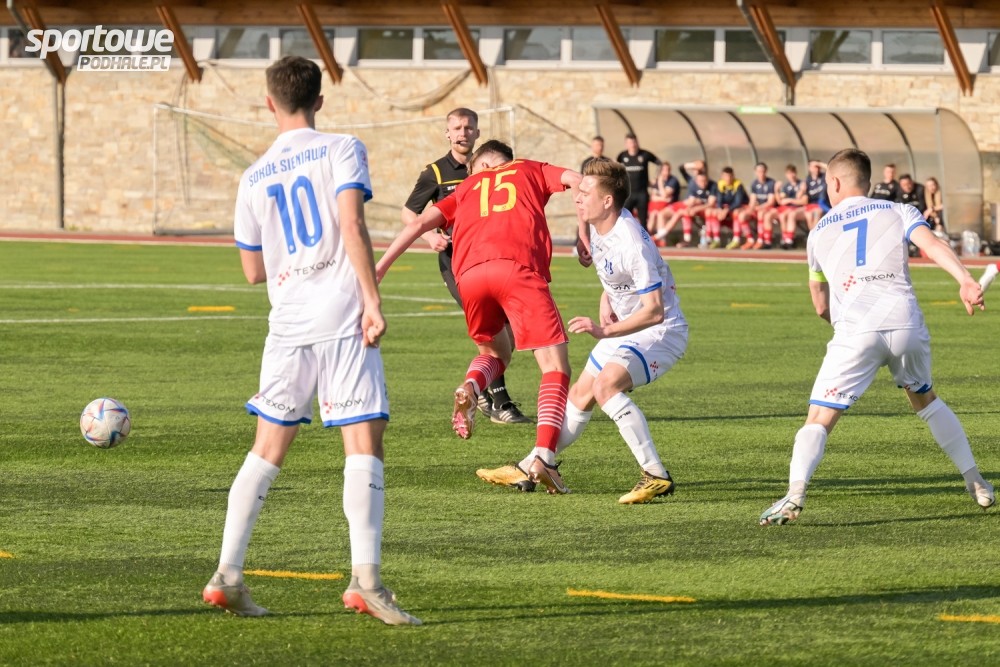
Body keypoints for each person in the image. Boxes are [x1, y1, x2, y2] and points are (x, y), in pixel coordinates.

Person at [202, 56, 420, 625]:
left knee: (266, 449)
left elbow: (252, 271)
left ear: (268, 103)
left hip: (288, 321)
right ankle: (366, 582)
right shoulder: (342, 147)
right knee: (363, 441)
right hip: (341, 313)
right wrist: (372, 301)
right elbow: (352, 225)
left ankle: (227, 574)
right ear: (319, 100)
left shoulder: (253, 176)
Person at [759, 148, 992, 527]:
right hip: (904, 324)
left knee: (819, 417)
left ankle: (795, 494)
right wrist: (965, 279)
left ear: (834, 182)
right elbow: (932, 245)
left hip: (855, 331)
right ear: (867, 181)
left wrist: (849, 332)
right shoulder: (899, 210)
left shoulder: (818, 232)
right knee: (926, 400)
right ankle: (975, 480)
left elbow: (820, 304)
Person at [376, 140, 589, 494]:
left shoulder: (466, 188)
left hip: (470, 276)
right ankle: (545, 458)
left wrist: (380, 267)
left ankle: (472, 386)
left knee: (495, 353)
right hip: (518, 269)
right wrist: (584, 233)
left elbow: (419, 223)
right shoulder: (529, 168)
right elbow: (580, 182)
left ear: (481, 167)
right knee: (555, 367)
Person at [476, 159, 688, 503]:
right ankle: (533, 465)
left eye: (586, 192)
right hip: (625, 327)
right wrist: (607, 296)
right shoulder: (598, 225)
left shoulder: (631, 242)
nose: (577, 196)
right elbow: (619, 277)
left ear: (607, 201)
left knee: (606, 387)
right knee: (579, 395)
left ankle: (656, 475)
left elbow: (654, 310)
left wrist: (605, 330)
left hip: (660, 331)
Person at [402, 108, 529, 425]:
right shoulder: (436, 172)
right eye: (457, 128)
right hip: (457, 262)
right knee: (491, 330)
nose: (463, 133)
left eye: (469, 128)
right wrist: (430, 236)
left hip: (491, 258)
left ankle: (482, 389)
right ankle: (499, 403)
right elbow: (410, 212)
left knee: (509, 333)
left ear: (477, 132)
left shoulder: (491, 167)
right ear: (447, 133)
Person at [654, 169, 717, 247]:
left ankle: (658, 237)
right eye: (700, 181)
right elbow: (691, 201)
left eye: (704, 181)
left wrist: (696, 208)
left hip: (707, 210)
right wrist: (691, 205)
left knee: (684, 212)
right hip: (691, 208)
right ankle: (661, 238)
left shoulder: (713, 185)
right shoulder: (693, 185)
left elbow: (711, 204)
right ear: (696, 180)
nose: (703, 183)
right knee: (666, 213)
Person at [616, 133, 661, 232]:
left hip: (642, 193)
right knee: (624, 219)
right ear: (626, 144)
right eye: (629, 143)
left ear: (637, 142)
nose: (632, 145)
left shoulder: (644, 154)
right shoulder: (622, 156)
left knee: (643, 221)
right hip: (628, 194)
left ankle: (645, 240)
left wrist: (656, 178)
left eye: (633, 142)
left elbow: (660, 164)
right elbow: (616, 168)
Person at [784, 159, 828, 248]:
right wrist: (802, 190)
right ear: (809, 168)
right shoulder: (807, 180)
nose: (816, 169)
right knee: (792, 214)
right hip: (810, 205)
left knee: (815, 213)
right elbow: (799, 197)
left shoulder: (824, 177)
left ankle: (815, 239)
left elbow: (831, 169)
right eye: (814, 167)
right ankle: (789, 240)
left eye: (817, 167)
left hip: (821, 205)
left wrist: (819, 163)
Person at [733, 162, 776, 249]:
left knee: (761, 213)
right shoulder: (754, 184)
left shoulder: (771, 183)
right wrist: (750, 209)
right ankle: (750, 240)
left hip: (768, 208)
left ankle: (760, 240)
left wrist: (758, 207)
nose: (761, 173)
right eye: (759, 171)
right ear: (755, 172)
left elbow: (771, 202)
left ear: (766, 171)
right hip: (757, 208)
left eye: (763, 171)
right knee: (742, 215)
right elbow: (752, 200)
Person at [703, 166, 747, 249]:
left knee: (736, 213)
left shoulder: (738, 185)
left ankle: (736, 240)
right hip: (726, 208)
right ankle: (715, 239)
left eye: (730, 176)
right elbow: (719, 200)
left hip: (738, 207)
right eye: (726, 176)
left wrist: (726, 210)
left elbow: (738, 202)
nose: (728, 179)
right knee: (711, 212)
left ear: (733, 176)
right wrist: (720, 209)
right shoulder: (720, 184)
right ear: (722, 176)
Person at [768, 164, 805, 249]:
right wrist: (776, 190)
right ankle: (784, 238)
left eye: (792, 173)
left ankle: (789, 239)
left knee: (790, 214)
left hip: (798, 208)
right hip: (788, 208)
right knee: (780, 215)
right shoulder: (786, 186)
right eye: (788, 173)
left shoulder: (801, 184)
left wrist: (790, 200)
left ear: (796, 173)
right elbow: (780, 201)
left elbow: (803, 201)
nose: (791, 175)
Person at [647, 161, 681, 237]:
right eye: (664, 170)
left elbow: (665, 194)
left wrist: (660, 183)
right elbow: (653, 197)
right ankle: (648, 236)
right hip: (656, 205)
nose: (666, 172)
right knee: (653, 214)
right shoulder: (657, 180)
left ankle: (660, 237)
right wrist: (663, 199)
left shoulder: (673, 180)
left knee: (660, 214)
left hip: (669, 206)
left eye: (668, 170)